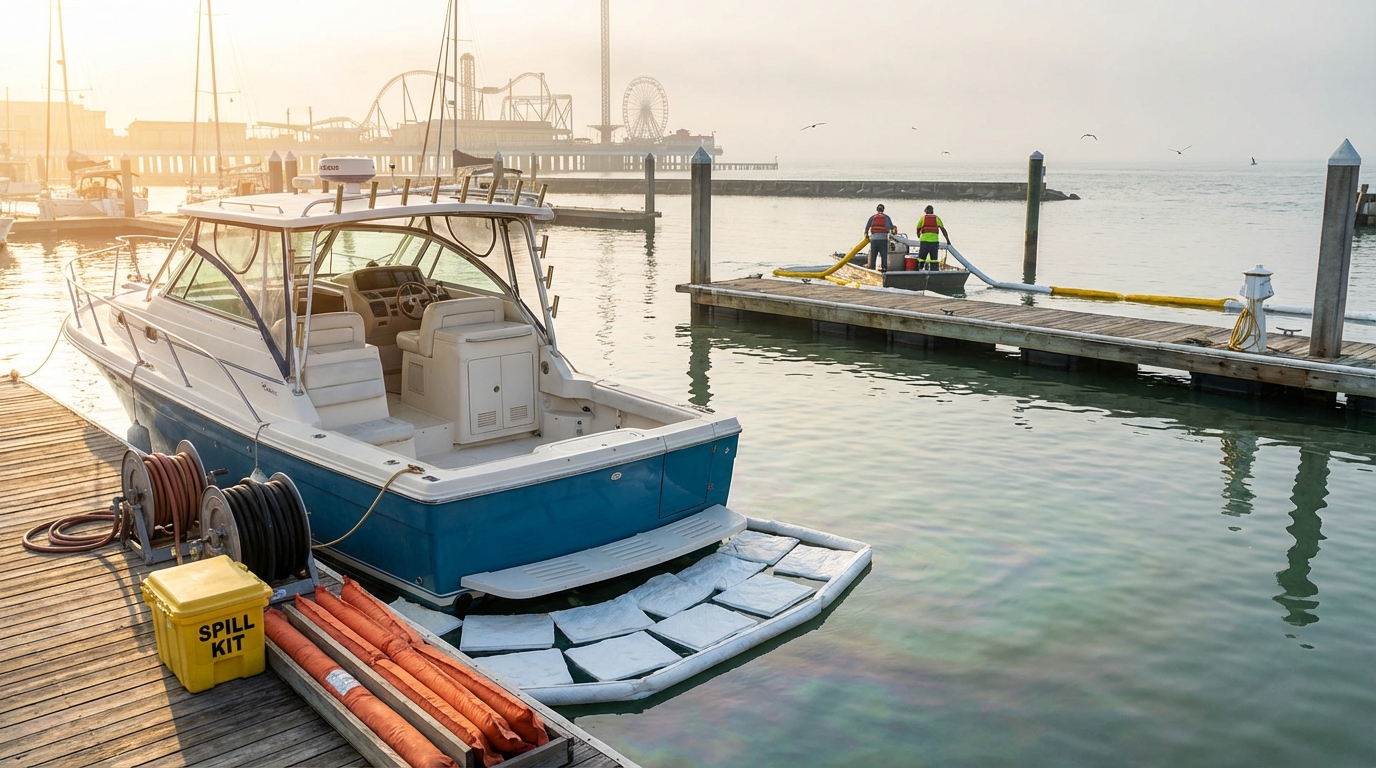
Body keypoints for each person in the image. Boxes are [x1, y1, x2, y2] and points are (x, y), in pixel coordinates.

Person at [915, 205, 951, 270]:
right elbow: (943, 230)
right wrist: (947, 240)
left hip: (924, 241)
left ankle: (920, 269)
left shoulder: (923, 218)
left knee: (921, 258)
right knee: (934, 259)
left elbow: (918, 227)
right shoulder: (937, 218)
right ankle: (933, 271)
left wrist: (918, 234)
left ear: (926, 211)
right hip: (934, 242)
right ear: (932, 211)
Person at [864, 204, 896, 271]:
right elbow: (890, 228)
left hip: (874, 239)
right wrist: (891, 233)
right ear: (883, 210)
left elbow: (867, 228)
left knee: (873, 255)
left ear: (877, 209)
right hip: (883, 239)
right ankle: (884, 268)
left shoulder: (872, 217)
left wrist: (866, 235)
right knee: (883, 255)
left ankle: (872, 269)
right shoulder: (886, 218)